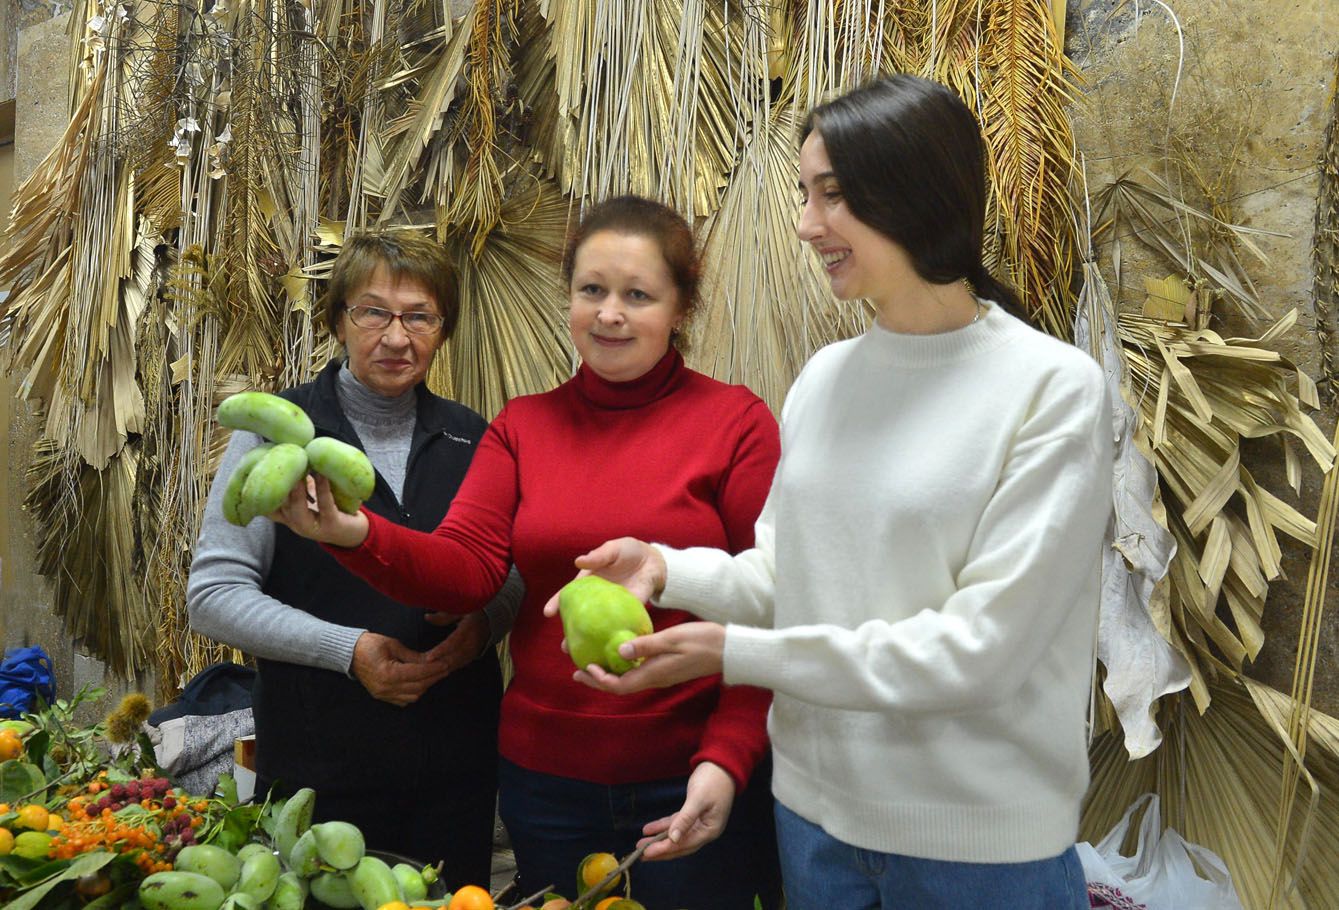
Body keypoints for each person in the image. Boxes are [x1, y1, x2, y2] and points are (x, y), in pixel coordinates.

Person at [547, 75, 1114, 910]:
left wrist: (730, 653)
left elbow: (979, 651)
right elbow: (790, 578)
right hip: (812, 827)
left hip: (976, 850)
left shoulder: (1051, 388)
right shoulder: (825, 378)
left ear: (913, 193)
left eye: (833, 195)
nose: (806, 225)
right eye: (805, 194)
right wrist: (666, 571)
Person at [273, 196, 784, 909]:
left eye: (637, 295)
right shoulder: (524, 427)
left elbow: (771, 610)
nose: (609, 314)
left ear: (680, 307)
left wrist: (726, 761)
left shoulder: (735, 424)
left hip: (691, 773)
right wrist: (355, 534)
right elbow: (465, 573)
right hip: (546, 785)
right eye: (591, 291)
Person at [187, 229, 523, 889]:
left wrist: (483, 628)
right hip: (321, 770)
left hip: (455, 763)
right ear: (338, 320)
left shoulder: (473, 436)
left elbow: (508, 570)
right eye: (373, 312)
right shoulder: (277, 429)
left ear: (442, 329)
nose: (396, 338)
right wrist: (347, 649)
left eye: (419, 317)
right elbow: (214, 593)